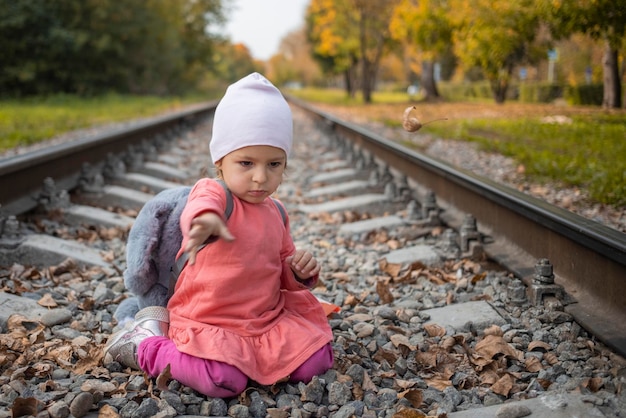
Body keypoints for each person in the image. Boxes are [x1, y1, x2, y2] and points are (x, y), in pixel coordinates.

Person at [104, 72, 334, 398]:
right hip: (210, 321)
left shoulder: (277, 212)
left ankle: (257, 358)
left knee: (316, 361)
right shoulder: (215, 195)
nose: (260, 177)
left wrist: (297, 272)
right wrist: (207, 220)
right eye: (246, 162)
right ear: (220, 162)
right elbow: (201, 205)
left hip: (262, 319)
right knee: (223, 381)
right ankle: (144, 345)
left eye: (274, 164)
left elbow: (281, 269)